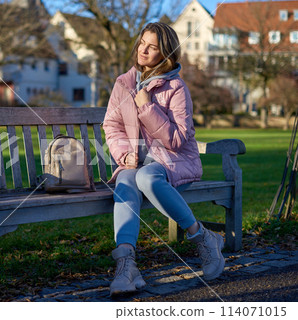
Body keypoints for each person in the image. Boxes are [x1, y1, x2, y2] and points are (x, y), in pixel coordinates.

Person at [103, 22, 225, 297]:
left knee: (146, 177)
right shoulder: (123, 84)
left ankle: (203, 238)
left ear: (165, 54)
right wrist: (125, 154)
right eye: (142, 43)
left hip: (173, 160)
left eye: (152, 47)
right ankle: (126, 265)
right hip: (136, 162)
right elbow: (112, 125)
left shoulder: (176, 87)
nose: (143, 50)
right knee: (125, 181)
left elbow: (177, 140)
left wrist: (146, 106)